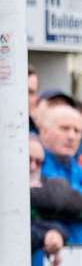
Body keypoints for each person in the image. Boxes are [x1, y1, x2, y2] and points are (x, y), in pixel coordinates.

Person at [36, 101, 82, 244]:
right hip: (45, 257)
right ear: (44, 132)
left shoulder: (78, 170)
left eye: (77, 131)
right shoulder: (33, 165)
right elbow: (53, 200)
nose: (71, 136)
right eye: (64, 128)